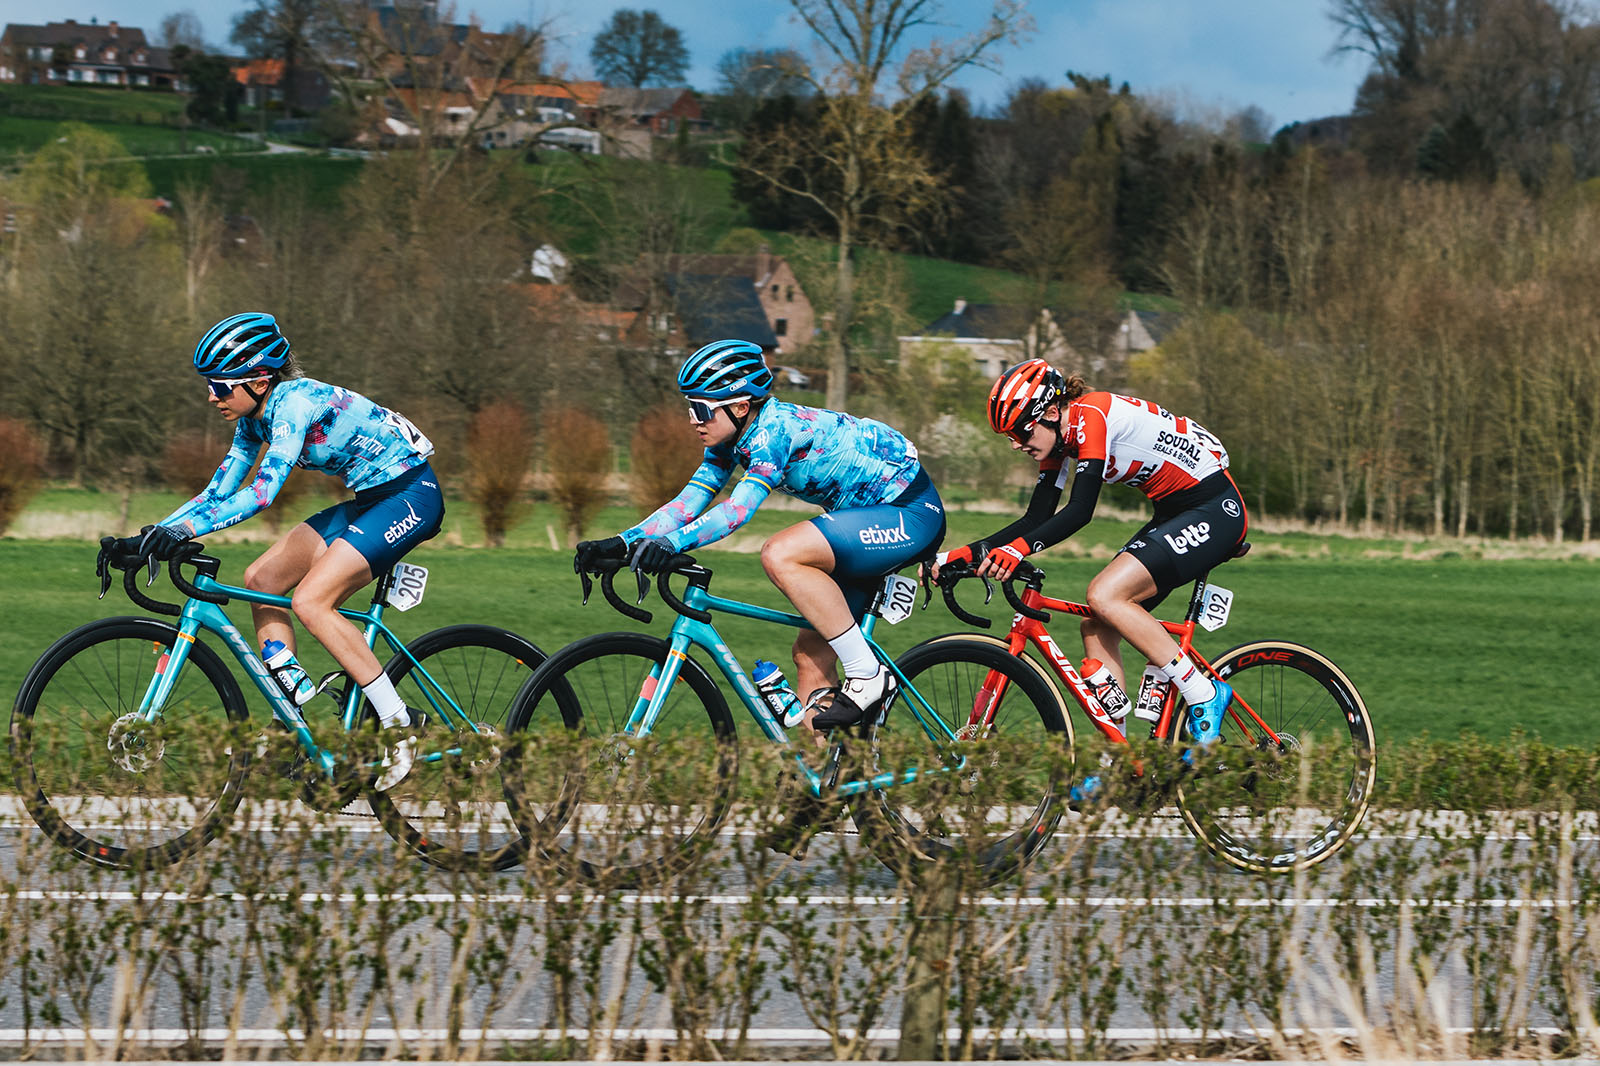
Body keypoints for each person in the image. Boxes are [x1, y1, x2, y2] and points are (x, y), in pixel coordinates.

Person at [96, 312, 442, 789]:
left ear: (259, 380)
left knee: (310, 601)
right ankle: (290, 719)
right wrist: (152, 535)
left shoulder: (294, 405)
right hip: (370, 500)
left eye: (220, 386)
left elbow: (261, 495)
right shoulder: (254, 418)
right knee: (262, 581)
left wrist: (181, 533)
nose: (211, 396)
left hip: (411, 496)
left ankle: (401, 726)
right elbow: (218, 491)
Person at [575, 339, 945, 733]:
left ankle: (867, 674)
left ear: (739, 406)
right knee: (810, 657)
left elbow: (737, 510)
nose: (691, 419)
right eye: (689, 406)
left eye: (701, 409)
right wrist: (622, 542)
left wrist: (672, 545)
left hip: (909, 514)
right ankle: (829, 786)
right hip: (865, 520)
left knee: (781, 553)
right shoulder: (731, 439)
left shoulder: (773, 432)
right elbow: (688, 502)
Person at [934, 359, 1247, 746]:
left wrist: (1015, 552)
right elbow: (1037, 517)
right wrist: (962, 555)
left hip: (1214, 508)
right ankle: (1119, 759)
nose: (1016, 443)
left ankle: (1204, 695)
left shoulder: (1092, 417)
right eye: (1008, 436)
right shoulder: (1058, 438)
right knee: (1097, 626)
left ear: (1051, 412)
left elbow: (1081, 511)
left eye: (1020, 430)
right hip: (1175, 512)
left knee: (1104, 595)